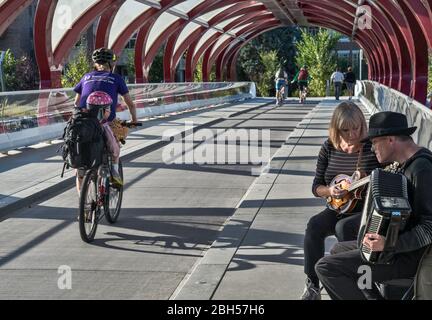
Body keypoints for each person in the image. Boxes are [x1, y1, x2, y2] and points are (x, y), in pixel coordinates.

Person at [315, 111, 432, 300]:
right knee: (338, 249)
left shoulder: (422, 169)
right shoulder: (404, 165)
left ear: (391, 140)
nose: (371, 148)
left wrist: (389, 245)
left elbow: (429, 227)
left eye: (375, 142)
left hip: (409, 256)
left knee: (327, 267)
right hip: (397, 249)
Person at [301, 101, 380, 300]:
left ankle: (363, 284)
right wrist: (329, 190)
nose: (352, 134)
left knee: (343, 228)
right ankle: (312, 285)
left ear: (363, 125)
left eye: (356, 128)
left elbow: (389, 177)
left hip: (365, 209)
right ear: (336, 129)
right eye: (345, 130)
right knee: (314, 226)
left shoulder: (372, 146)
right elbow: (316, 186)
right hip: (337, 206)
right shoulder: (329, 146)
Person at [74, 47, 138, 192]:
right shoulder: (116, 78)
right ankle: (115, 173)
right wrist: (134, 120)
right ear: (112, 64)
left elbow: (76, 103)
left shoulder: (86, 77)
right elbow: (130, 104)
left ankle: (83, 208)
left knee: (80, 171)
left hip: (84, 123)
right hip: (106, 123)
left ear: (95, 63)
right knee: (116, 145)